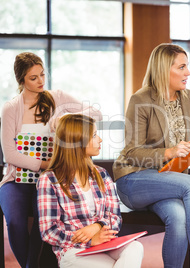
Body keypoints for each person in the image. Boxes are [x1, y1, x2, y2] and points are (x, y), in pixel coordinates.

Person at [0, 52, 102, 268]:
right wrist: (46, 166)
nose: (40, 81)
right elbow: (10, 154)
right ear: (21, 80)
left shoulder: (57, 98)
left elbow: (96, 113)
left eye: (42, 75)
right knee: (15, 222)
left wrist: (63, 117)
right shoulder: (11, 108)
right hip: (16, 181)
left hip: (50, 182)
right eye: (33, 78)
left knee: (43, 222)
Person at [113, 43, 190, 268]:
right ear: (163, 70)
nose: (188, 73)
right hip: (134, 179)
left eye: (188, 67)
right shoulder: (141, 99)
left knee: (178, 218)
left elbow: (187, 148)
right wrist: (169, 152)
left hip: (167, 180)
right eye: (182, 67)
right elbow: (132, 152)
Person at [37, 114, 144, 267]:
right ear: (77, 141)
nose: (100, 139)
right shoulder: (49, 180)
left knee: (135, 247)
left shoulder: (101, 174)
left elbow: (115, 217)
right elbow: (49, 231)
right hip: (72, 250)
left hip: (105, 243)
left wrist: (98, 226)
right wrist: (89, 240)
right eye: (94, 135)